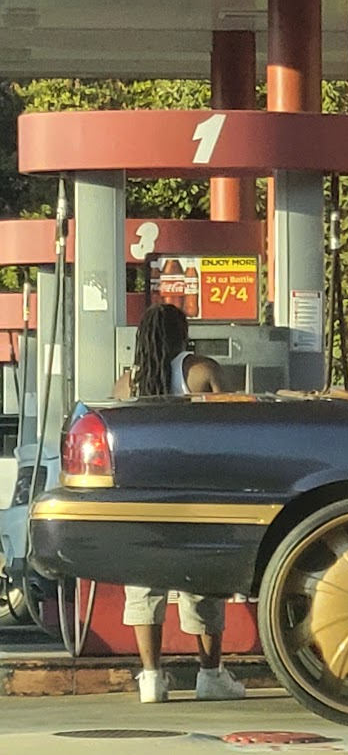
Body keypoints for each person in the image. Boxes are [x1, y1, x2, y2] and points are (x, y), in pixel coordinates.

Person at [116, 301, 247, 705]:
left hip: (143, 497)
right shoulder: (201, 371)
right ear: (183, 334)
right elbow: (236, 428)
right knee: (202, 583)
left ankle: (152, 679)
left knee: (144, 585)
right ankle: (210, 675)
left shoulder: (127, 383)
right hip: (196, 492)